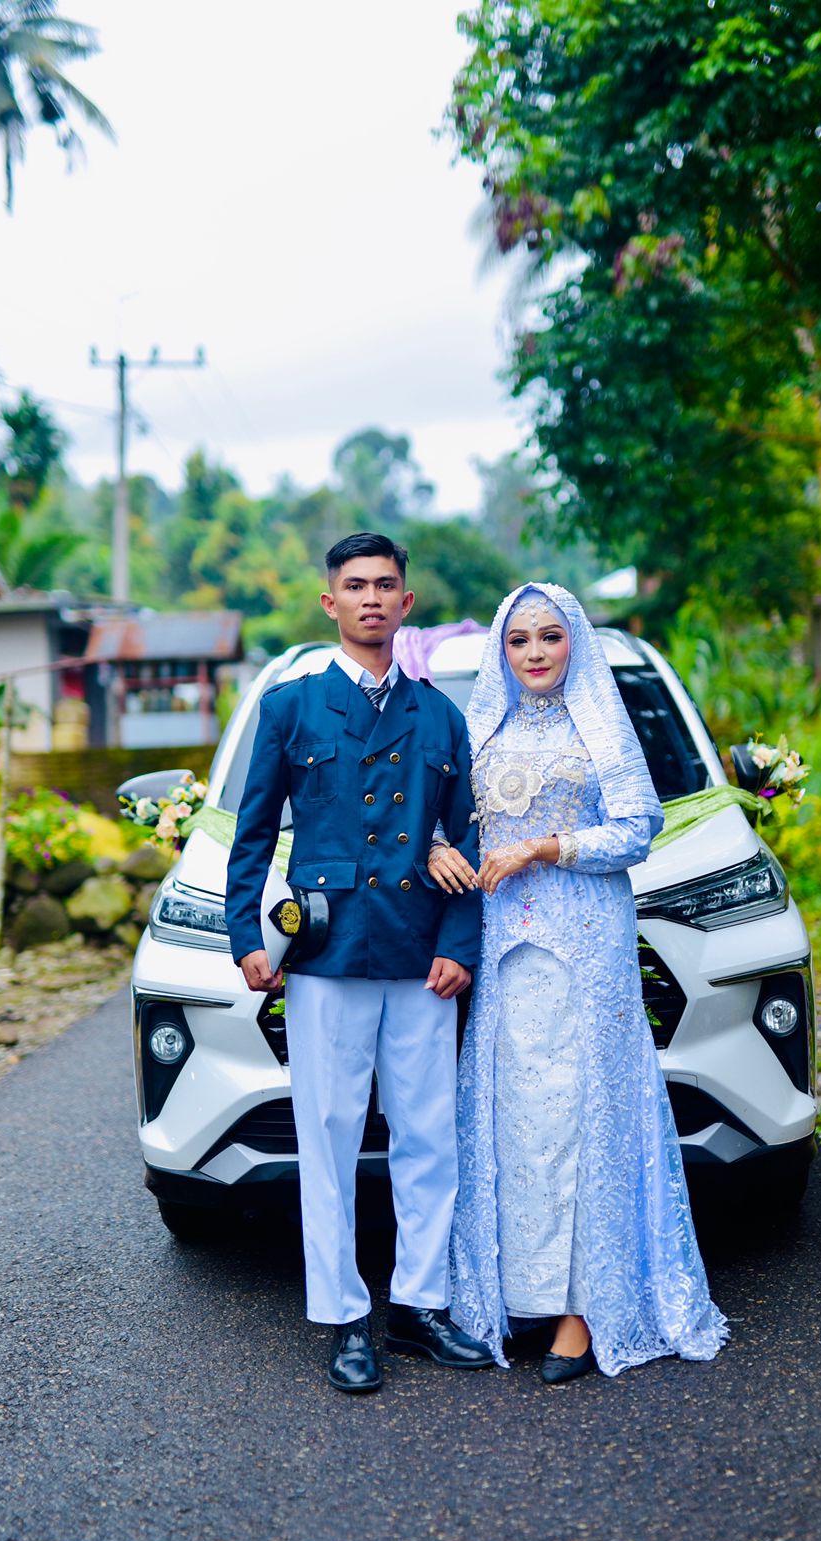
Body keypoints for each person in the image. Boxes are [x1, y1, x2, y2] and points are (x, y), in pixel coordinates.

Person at [430, 582, 729, 1384]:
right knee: (518, 1117)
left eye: (550, 636)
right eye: (519, 639)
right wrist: (437, 848)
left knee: (586, 1111)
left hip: (586, 941)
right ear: (501, 651)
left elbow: (638, 830)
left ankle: (585, 1308)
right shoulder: (480, 729)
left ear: (574, 643)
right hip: (503, 946)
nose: (534, 652)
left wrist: (542, 848)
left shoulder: (599, 724)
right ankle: (521, 1294)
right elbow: (446, 820)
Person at [225, 532, 494, 1393]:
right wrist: (246, 937)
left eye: (385, 585)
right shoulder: (291, 707)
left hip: (419, 954)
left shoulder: (441, 717)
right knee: (330, 1136)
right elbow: (253, 834)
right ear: (330, 602)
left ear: (406, 603)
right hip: (327, 954)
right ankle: (344, 1317)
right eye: (355, 585)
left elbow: (471, 839)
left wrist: (458, 944)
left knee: (428, 1138)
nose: (371, 598)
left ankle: (419, 1306)